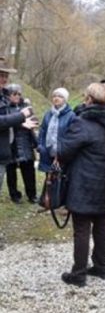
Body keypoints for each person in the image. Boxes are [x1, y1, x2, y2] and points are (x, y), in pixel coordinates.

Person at [58, 83, 105, 287]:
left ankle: (78, 273)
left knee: (82, 227)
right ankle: (102, 267)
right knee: (102, 224)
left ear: (88, 99)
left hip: (85, 183)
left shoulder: (83, 123)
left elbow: (63, 151)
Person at [0, 57, 35, 196]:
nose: (4, 79)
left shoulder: (3, 96)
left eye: (6, 75)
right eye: (1, 75)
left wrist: (20, 123)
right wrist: (21, 116)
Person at [5, 84, 38, 203]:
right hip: (10, 144)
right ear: (9, 95)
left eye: (19, 93)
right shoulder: (5, 108)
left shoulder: (26, 107)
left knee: (29, 171)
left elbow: (34, 122)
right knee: (11, 172)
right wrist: (20, 122)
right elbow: (4, 122)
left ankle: (32, 195)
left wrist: (36, 143)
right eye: (14, 94)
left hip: (25, 143)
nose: (17, 96)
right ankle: (14, 195)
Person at [37, 88, 75, 174]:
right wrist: (40, 146)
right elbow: (42, 131)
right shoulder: (48, 114)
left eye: (60, 96)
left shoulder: (71, 116)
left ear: (65, 99)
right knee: (49, 178)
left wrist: (61, 153)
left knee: (59, 179)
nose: (56, 98)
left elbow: (71, 136)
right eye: (54, 96)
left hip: (62, 154)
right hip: (47, 152)